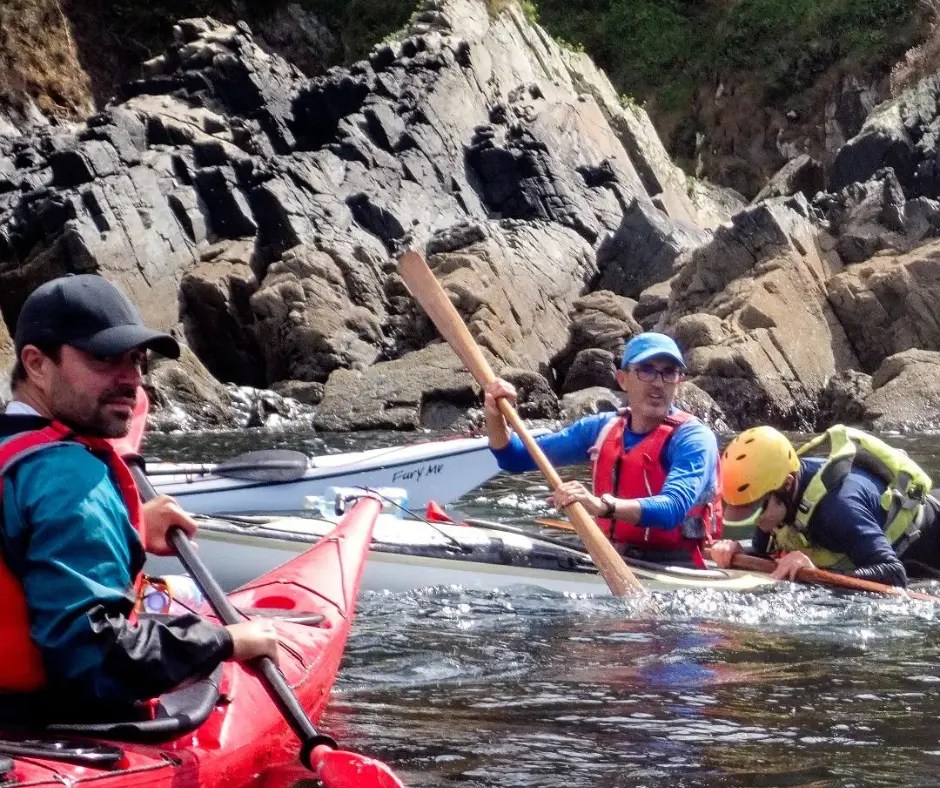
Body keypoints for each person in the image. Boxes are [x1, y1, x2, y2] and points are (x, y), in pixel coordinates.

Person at [0, 273, 279, 721]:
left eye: (136, 360)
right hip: (48, 721)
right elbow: (100, 662)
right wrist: (226, 641)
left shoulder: (13, 453)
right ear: (35, 363)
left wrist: (124, 527)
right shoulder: (70, 477)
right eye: (105, 358)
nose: (132, 379)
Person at [484, 332, 722, 568]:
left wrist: (602, 506)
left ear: (678, 383)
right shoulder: (600, 428)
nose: (658, 383)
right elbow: (514, 458)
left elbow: (673, 509)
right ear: (622, 379)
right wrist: (495, 415)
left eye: (669, 372)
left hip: (674, 562)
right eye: (646, 370)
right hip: (610, 551)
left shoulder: (693, 438)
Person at [711, 425, 940, 587]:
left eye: (756, 509)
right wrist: (739, 552)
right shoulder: (774, 498)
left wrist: (817, 572)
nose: (756, 522)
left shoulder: (839, 509)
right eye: (742, 509)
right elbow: (763, 553)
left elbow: (894, 573)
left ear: (787, 484)